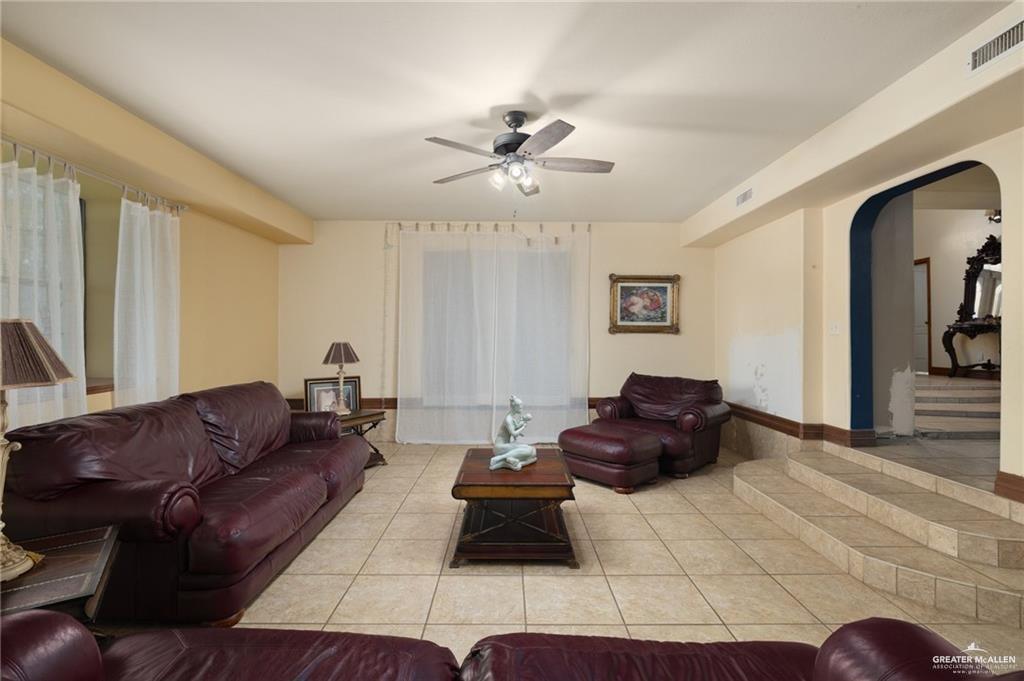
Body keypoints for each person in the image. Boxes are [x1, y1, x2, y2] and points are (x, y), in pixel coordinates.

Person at [489, 395, 538, 471]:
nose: (521, 407)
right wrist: (523, 427)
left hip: (506, 445)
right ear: (514, 407)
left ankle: (510, 460)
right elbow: (514, 434)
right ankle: (499, 458)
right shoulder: (508, 419)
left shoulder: (512, 418)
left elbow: (515, 428)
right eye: (520, 405)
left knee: (533, 450)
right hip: (500, 447)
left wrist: (523, 422)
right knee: (528, 451)